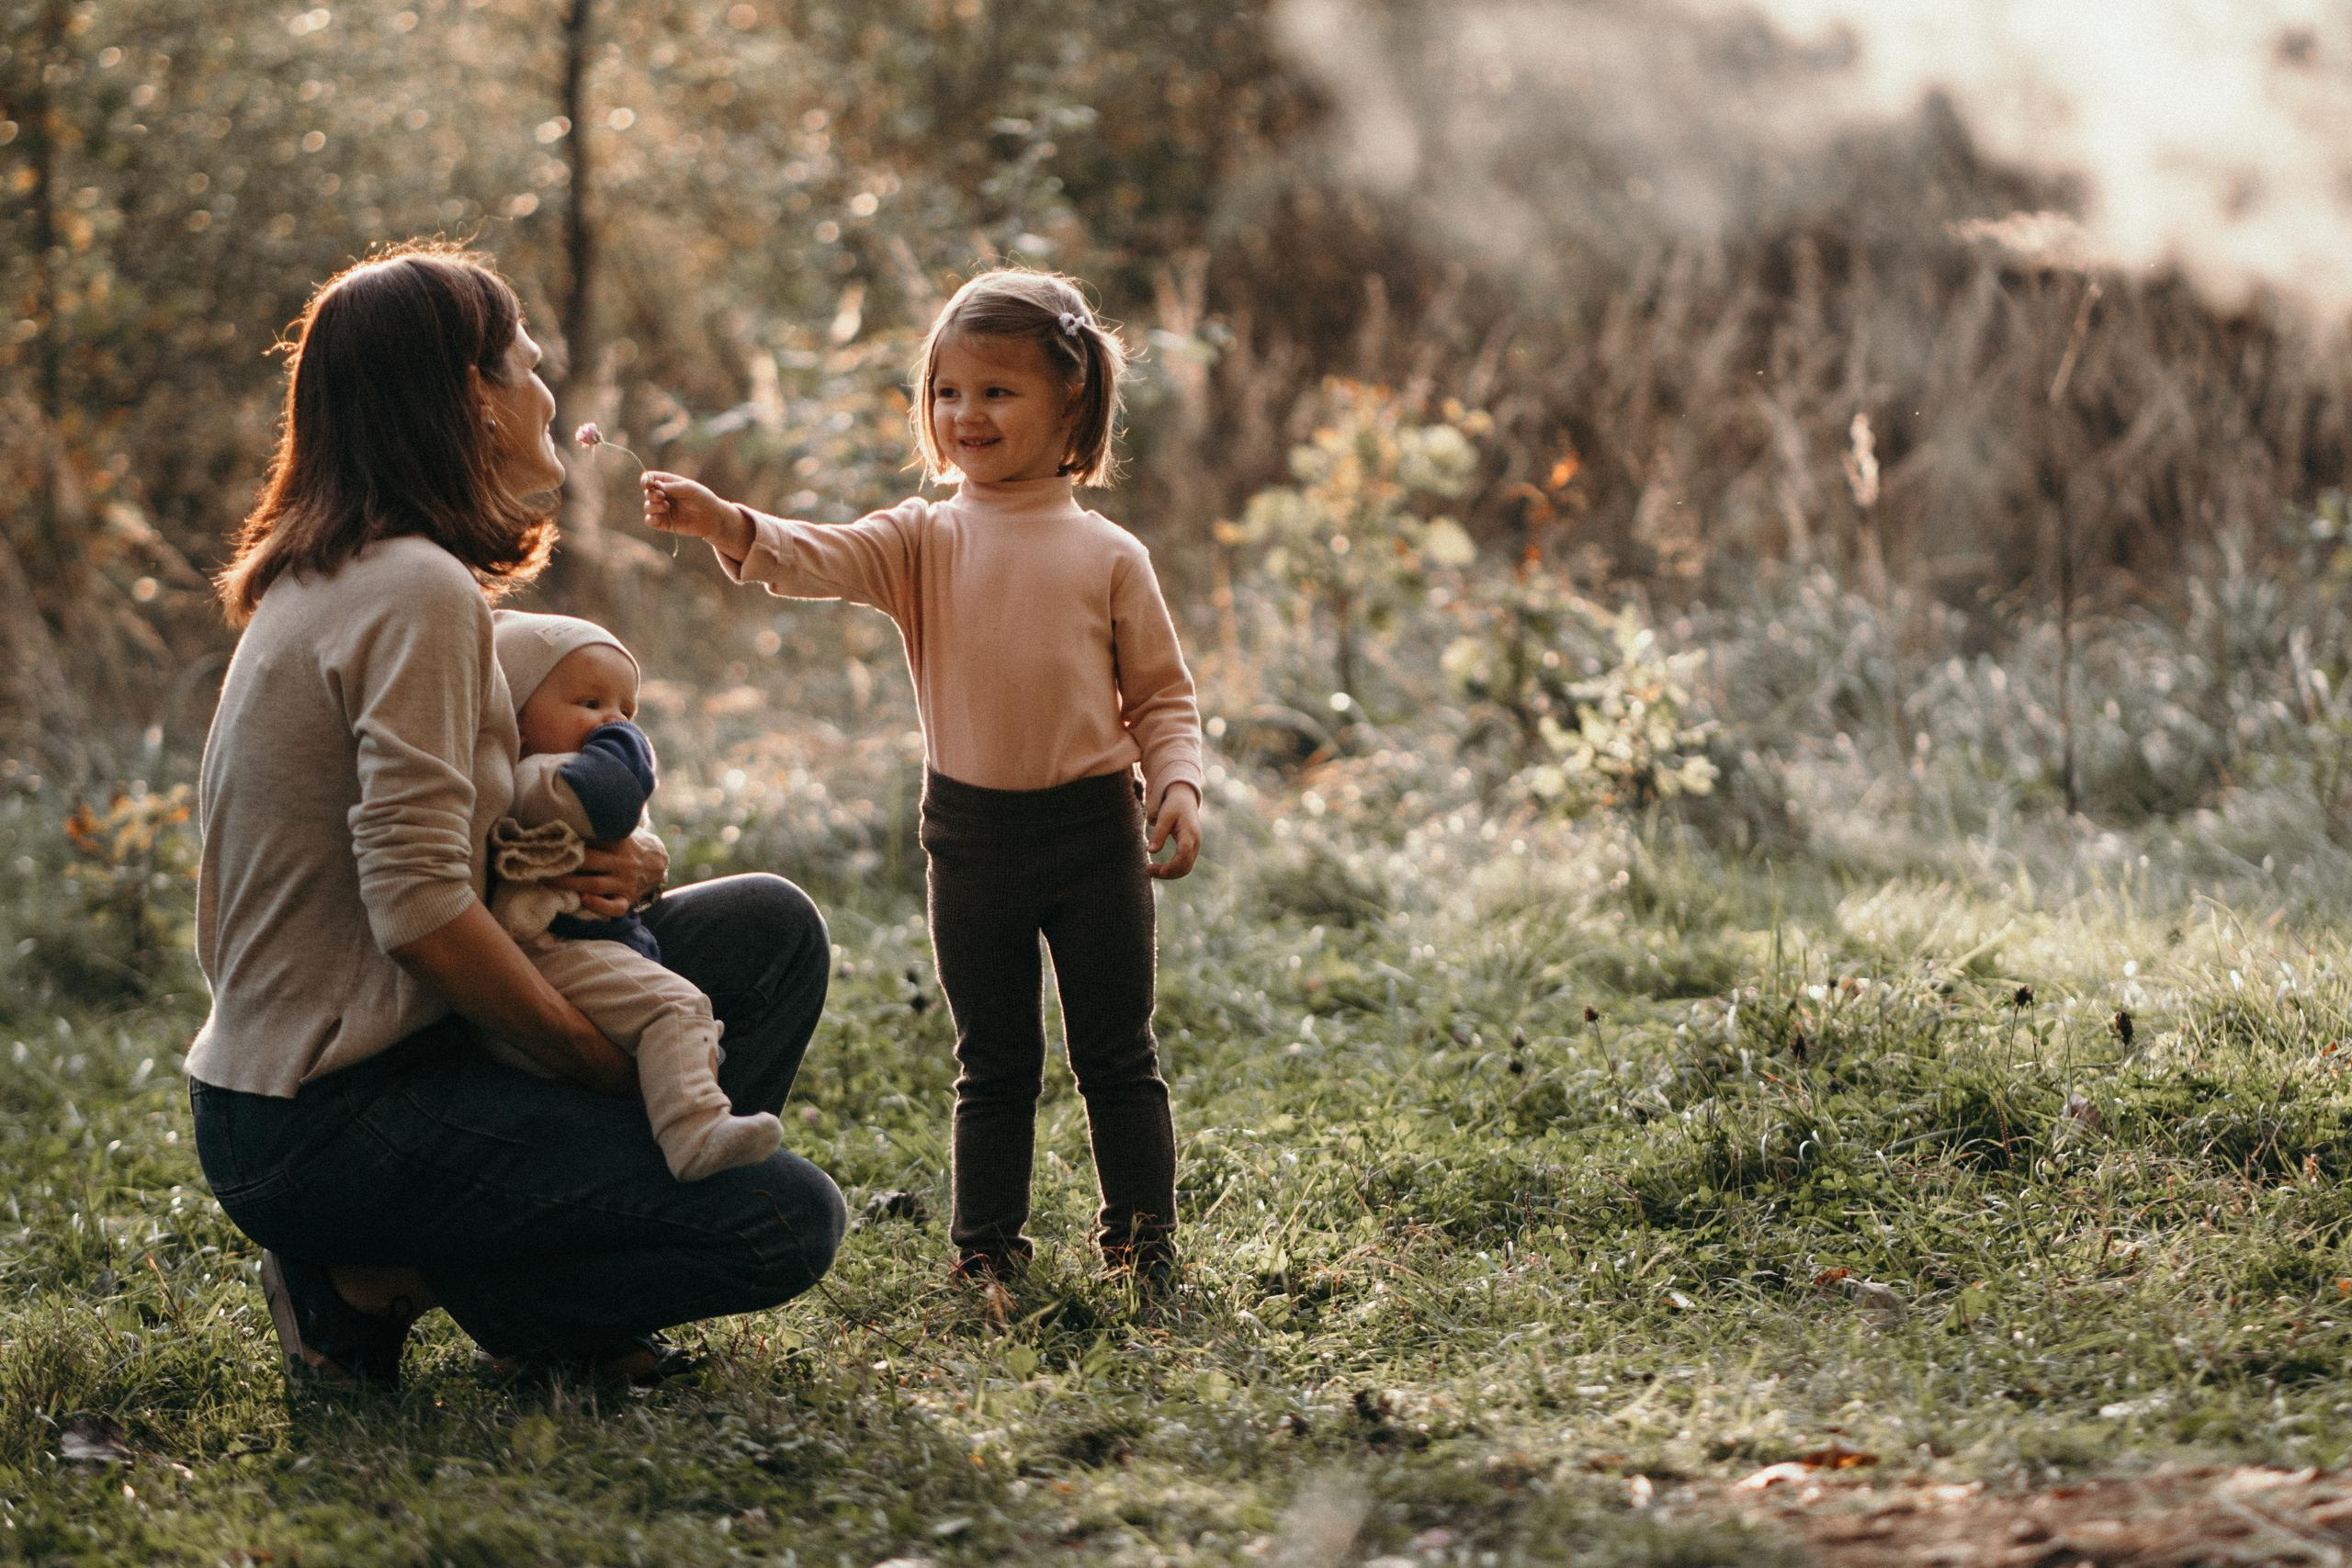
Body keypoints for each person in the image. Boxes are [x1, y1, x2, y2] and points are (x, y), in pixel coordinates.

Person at [186, 243, 844, 1388]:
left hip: (365, 1070)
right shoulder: (414, 591)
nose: (548, 393)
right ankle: (361, 1286)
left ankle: (546, 1276)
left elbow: (454, 844)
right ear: (467, 399)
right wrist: (594, 1061)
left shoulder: (346, 576)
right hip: (327, 1116)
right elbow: (419, 910)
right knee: (780, 1221)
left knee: (768, 931)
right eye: (525, 366)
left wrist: (622, 862)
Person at [640, 267, 1204, 1281]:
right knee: (991, 1063)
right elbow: (812, 554)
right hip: (972, 840)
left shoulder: (1109, 554)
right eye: (948, 391)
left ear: (1068, 399)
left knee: (1117, 1053)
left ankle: (1143, 1243)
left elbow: (1161, 697)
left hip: (1094, 836)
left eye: (997, 391)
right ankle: (987, 1251)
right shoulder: (920, 538)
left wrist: (1177, 784)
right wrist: (728, 523)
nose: (965, 413)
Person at [485, 610, 783, 1180]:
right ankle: (695, 1135)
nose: (613, 723)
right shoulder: (539, 779)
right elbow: (617, 801)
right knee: (677, 1007)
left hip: (586, 944)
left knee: (680, 1010)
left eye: (627, 710)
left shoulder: (562, 769)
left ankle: (689, 1107)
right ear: (518, 719)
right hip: (552, 954)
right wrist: (626, 741)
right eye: (591, 704)